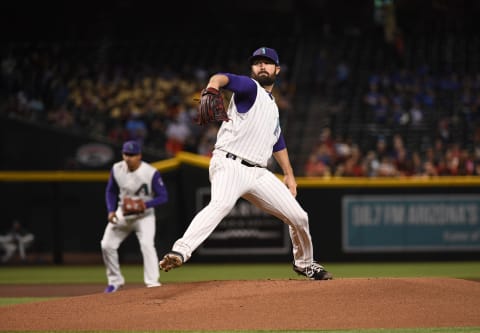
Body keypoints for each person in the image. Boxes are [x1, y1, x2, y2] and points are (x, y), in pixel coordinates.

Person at [159, 47, 333, 280]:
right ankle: (180, 251)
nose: (262, 66)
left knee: (300, 217)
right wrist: (212, 85)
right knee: (220, 205)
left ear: (277, 69)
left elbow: (278, 141)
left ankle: (305, 263)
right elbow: (224, 78)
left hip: (259, 173)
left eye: (267, 62)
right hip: (230, 163)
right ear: (252, 69)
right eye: (257, 63)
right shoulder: (251, 88)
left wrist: (289, 174)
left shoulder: (272, 107)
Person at [101, 140, 168, 293]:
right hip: (123, 212)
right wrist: (111, 211)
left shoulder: (150, 172)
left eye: (132, 155)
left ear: (139, 156)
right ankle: (115, 282)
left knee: (146, 245)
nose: (128, 158)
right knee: (106, 245)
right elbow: (110, 191)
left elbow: (163, 196)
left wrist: (145, 205)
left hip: (145, 216)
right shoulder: (117, 168)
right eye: (126, 154)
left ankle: (152, 283)